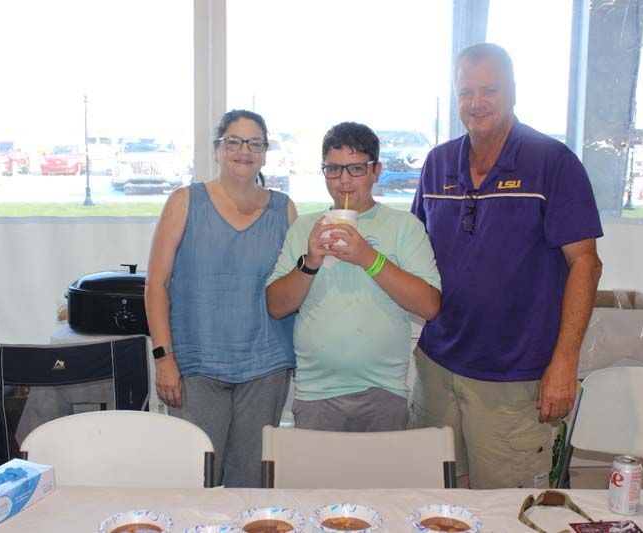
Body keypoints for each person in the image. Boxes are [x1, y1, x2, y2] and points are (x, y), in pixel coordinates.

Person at [409, 43, 603, 489]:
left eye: (489, 90)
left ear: (513, 91)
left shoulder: (552, 162)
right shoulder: (438, 164)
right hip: (437, 368)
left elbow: (586, 265)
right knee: (431, 493)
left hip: (514, 379)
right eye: (466, 92)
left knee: (508, 508)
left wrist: (564, 364)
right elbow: (416, 253)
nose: (476, 103)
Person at [145, 109, 296, 488]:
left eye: (254, 143)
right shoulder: (185, 202)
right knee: (197, 481)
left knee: (251, 485)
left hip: (266, 367)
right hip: (196, 369)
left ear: (264, 152)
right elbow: (156, 286)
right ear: (217, 149)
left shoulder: (284, 210)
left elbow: (297, 285)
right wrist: (164, 359)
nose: (243, 150)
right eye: (233, 141)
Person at [266, 122, 441, 432]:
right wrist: (311, 262)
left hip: (384, 390)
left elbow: (429, 305)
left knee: (380, 481)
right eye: (333, 169)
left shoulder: (404, 226)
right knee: (315, 482)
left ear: (376, 170)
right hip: (315, 392)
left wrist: (368, 258)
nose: (343, 181)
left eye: (356, 168)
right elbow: (276, 306)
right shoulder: (306, 227)